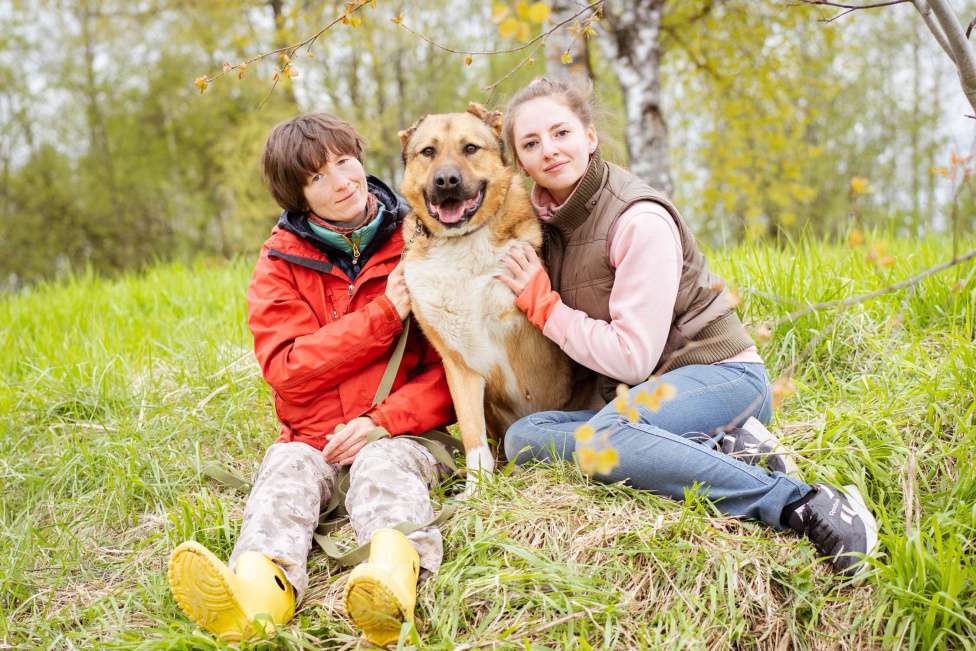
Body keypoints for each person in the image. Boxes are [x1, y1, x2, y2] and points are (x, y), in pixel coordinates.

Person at [497, 77, 878, 577]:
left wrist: (545, 308)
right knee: (526, 438)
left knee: (608, 435)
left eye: (561, 132)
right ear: (520, 163)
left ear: (589, 136)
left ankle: (799, 503)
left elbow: (632, 356)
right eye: (530, 143)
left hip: (720, 376)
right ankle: (720, 450)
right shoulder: (547, 225)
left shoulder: (638, 218)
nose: (548, 149)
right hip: (645, 397)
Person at [166, 113, 455, 645]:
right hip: (313, 439)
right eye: (318, 177)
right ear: (297, 196)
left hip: (403, 434)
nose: (342, 182)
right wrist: (383, 316)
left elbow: (452, 368)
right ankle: (256, 597)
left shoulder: (420, 238)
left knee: (384, 466)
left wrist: (381, 423)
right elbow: (287, 369)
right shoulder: (279, 263)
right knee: (285, 470)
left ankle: (393, 585)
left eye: (345, 162)